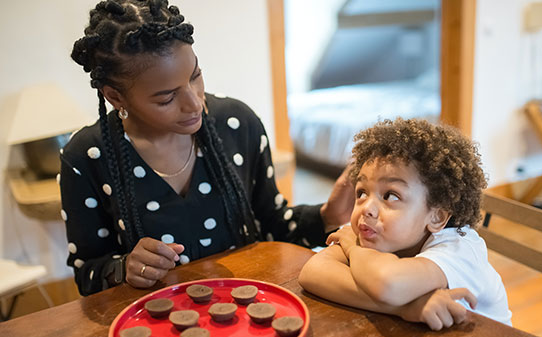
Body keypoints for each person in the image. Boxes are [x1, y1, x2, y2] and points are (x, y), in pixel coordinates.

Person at [61, 0, 353, 296]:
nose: (194, 103)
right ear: (115, 97)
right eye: (166, 98)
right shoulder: (86, 157)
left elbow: (272, 227)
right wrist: (125, 268)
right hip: (156, 324)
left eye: (195, 76)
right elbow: (88, 273)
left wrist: (328, 216)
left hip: (247, 310)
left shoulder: (237, 123)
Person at [298, 118, 512, 330]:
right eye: (362, 192)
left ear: (436, 217)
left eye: (391, 196)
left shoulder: (459, 249)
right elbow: (313, 272)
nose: (367, 209)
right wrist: (404, 308)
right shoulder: (375, 231)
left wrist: (352, 248)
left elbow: (388, 284)